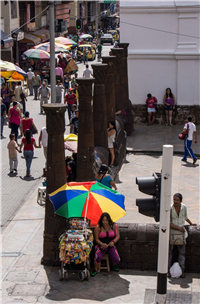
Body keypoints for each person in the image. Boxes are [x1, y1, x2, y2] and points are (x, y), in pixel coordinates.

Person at [168, 193, 197, 278]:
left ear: (180, 201)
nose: (175, 201)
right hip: (172, 232)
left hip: (181, 233)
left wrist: (191, 223)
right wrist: (178, 228)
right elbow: (168, 223)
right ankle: (168, 270)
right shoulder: (170, 208)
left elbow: (185, 217)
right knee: (169, 253)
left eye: (177, 200)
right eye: (174, 199)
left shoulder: (183, 207)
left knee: (182, 253)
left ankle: (182, 270)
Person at [91, 212, 120, 276]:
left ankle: (115, 265)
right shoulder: (98, 227)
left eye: (106, 220)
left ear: (109, 220)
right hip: (100, 246)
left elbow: (118, 236)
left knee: (116, 259)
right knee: (98, 257)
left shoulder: (114, 226)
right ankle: (95, 269)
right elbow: (96, 238)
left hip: (110, 245)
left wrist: (113, 242)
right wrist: (101, 244)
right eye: (103, 220)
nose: (105, 222)